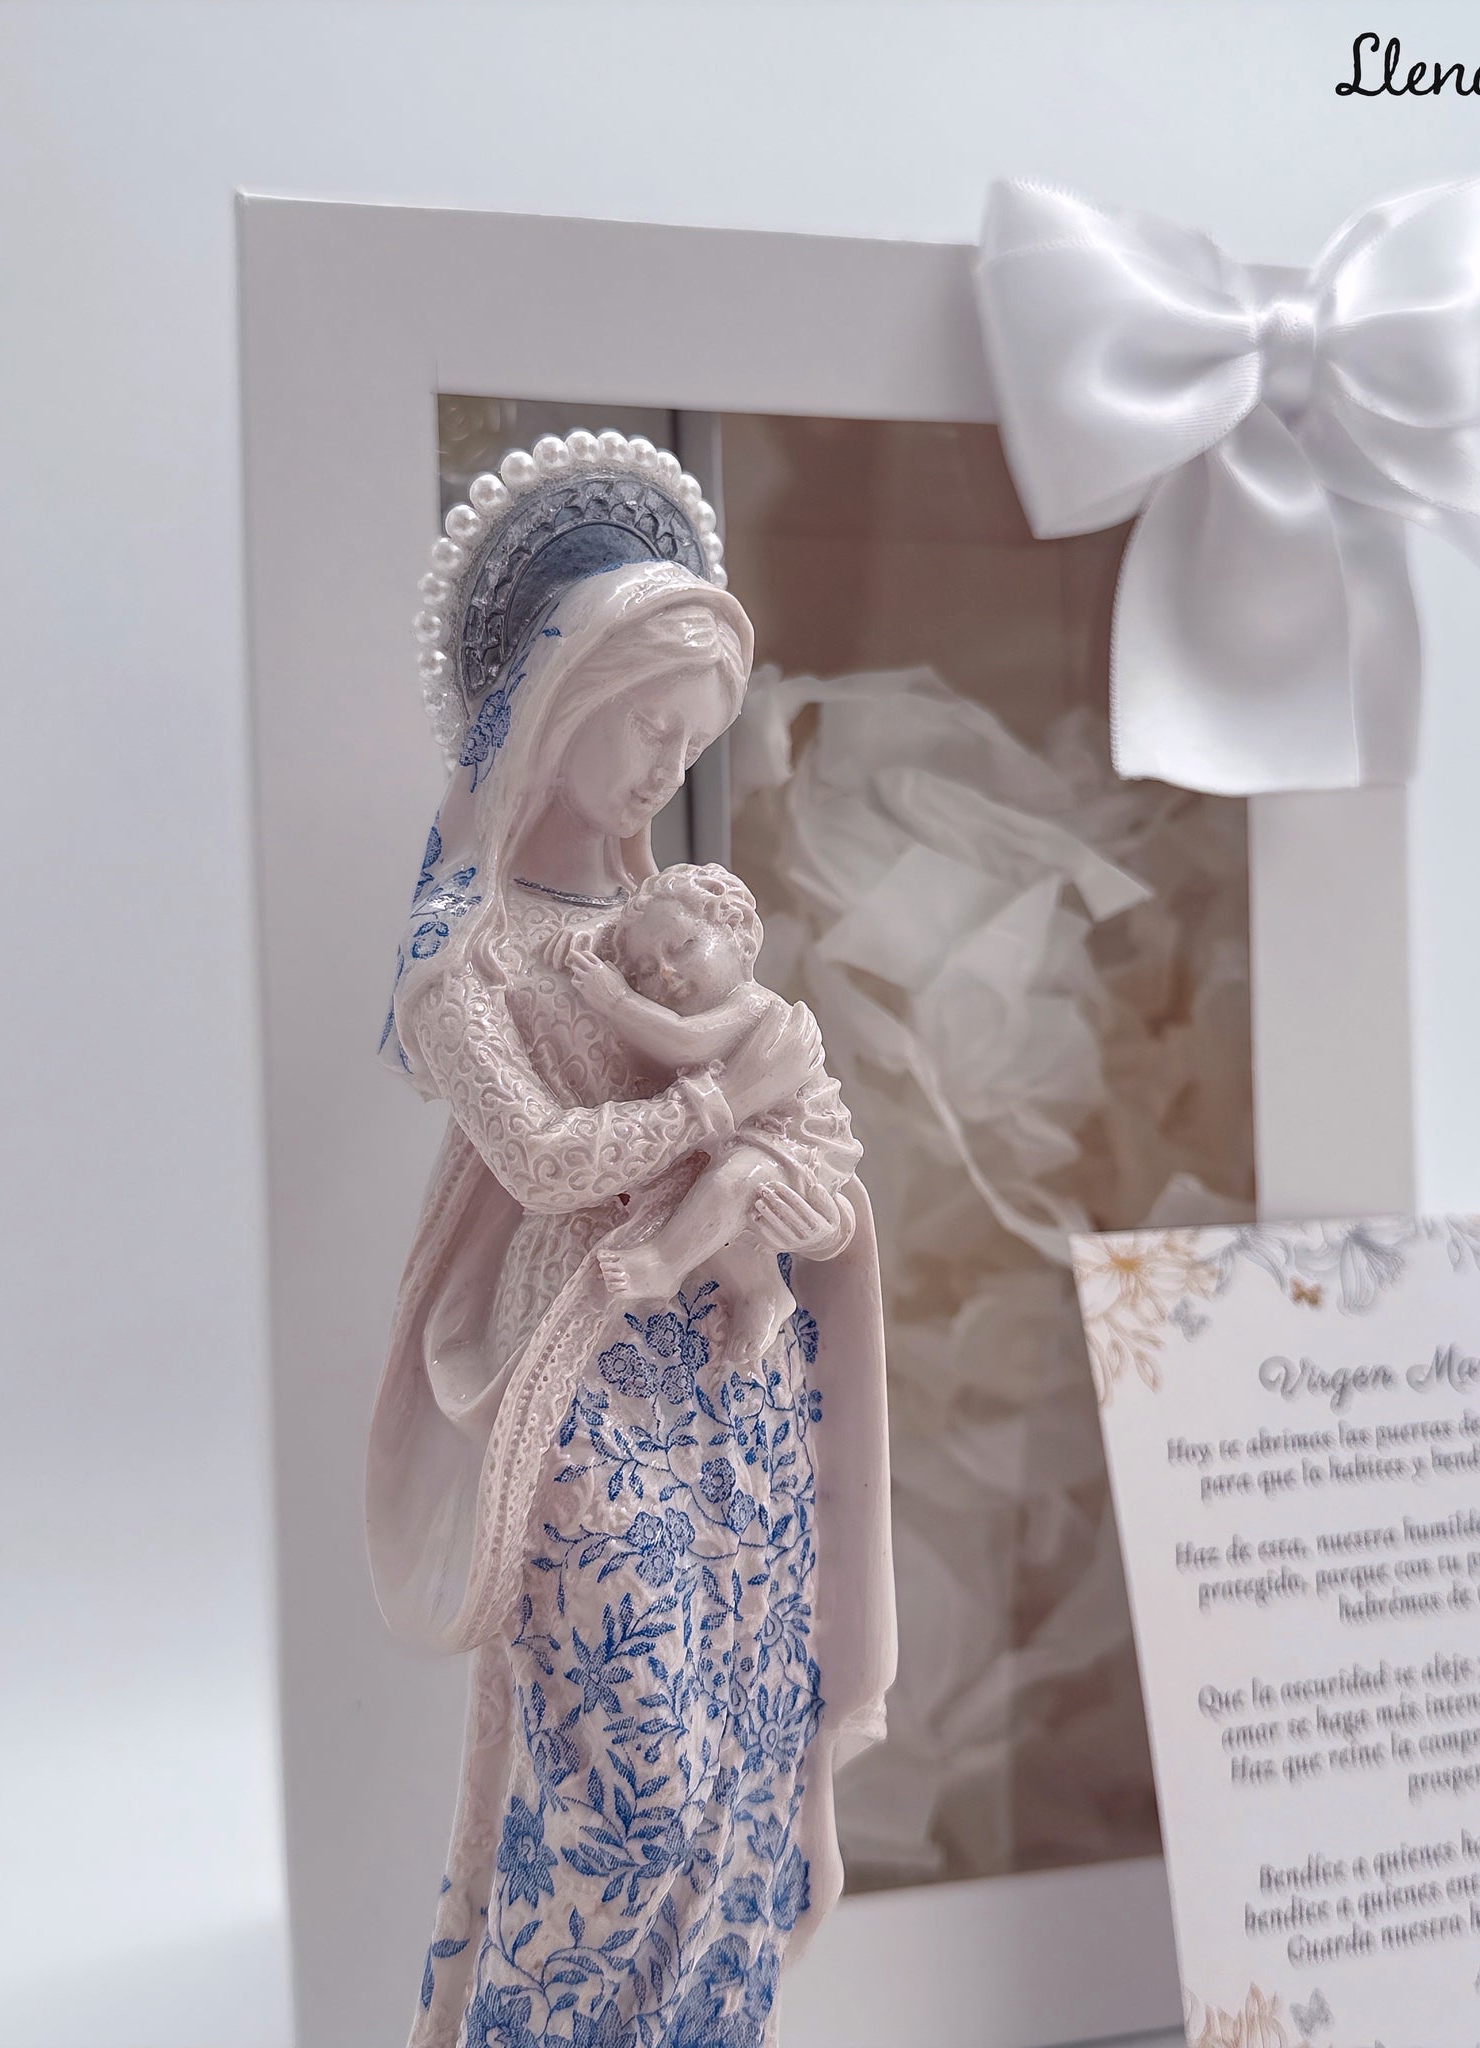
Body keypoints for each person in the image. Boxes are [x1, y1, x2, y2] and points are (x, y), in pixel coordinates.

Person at [365, 437, 895, 2048]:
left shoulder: (679, 928)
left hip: (737, 1383)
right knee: (639, 1788)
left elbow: (808, 1135)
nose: (670, 765)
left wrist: (793, 1176)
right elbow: (540, 1159)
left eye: (693, 739)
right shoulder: (465, 962)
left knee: (743, 1765)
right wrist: (722, 1111)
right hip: (585, 1367)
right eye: (648, 726)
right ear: (558, 704)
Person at [556, 863, 863, 1368]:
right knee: (710, 1204)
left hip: (797, 1138)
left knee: (732, 1181)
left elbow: (684, 1040)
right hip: (747, 1137)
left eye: (682, 946)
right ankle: (762, 1291)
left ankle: (662, 1263)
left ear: (739, 935)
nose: (665, 974)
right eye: (645, 972)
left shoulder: (754, 1006)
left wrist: (616, 999)